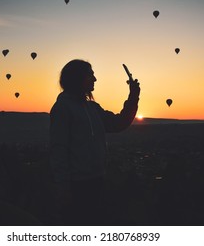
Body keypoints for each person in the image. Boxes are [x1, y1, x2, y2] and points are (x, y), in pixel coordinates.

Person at [49, 59, 140, 225]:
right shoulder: (62, 108)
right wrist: (63, 187)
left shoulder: (92, 108)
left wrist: (133, 97)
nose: (95, 79)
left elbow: (118, 123)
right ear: (77, 77)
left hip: (97, 180)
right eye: (90, 74)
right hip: (76, 185)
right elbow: (59, 149)